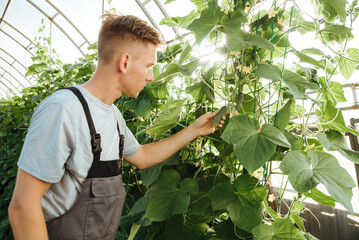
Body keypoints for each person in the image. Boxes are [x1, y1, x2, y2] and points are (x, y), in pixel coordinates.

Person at [8, 13, 225, 240]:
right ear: (125, 62)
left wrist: (194, 130)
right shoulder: (63, 110)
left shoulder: (112, 115)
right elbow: (23, 207)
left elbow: (142, 156)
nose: (151, 77)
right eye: (149, 66)